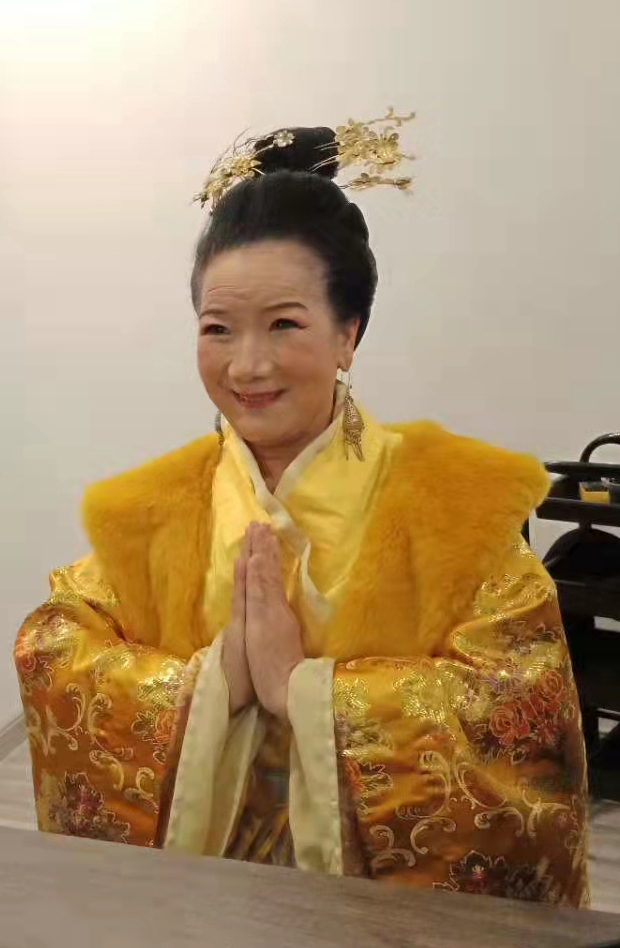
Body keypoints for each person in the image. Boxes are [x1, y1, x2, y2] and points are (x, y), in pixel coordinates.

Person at [15, 116, 589, 906]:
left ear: (348, 333)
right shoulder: (148, 510)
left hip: (375, 915)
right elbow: (55, 644)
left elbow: (517, 701)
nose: (247, 365)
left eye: (285, 324)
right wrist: (212, 682)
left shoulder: (455, 502)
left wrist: (304, 692)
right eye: (218, 329)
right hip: (199, 900)